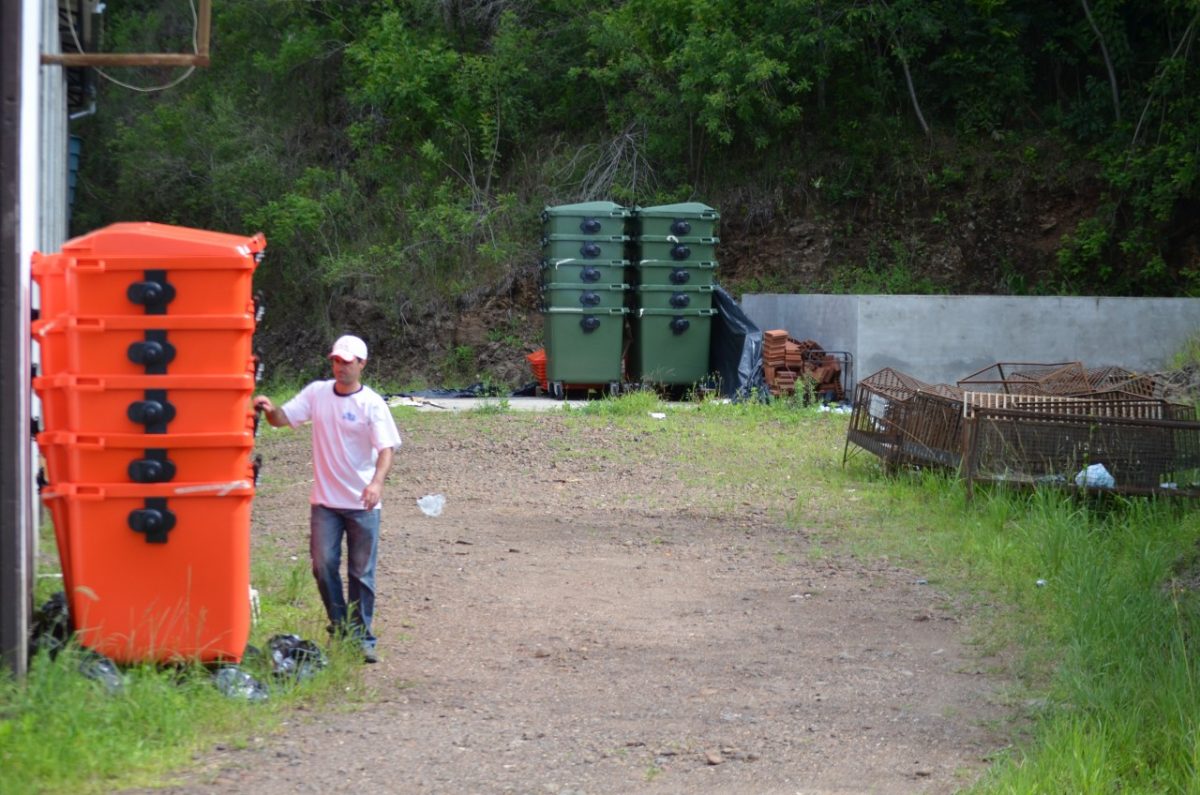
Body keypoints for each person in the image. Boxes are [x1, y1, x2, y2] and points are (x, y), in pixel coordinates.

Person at [254, 334, 401, 663]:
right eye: (336, 361)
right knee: (323, 566)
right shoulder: (317, 393)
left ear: (362, 364)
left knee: (361, 573)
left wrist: (377, 483)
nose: (340, 367)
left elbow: (386, 449)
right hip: (325, 502)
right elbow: (282, 419)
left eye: (347, 362)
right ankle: (341, 628)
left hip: (363, 503)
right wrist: (268, 409)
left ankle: (363, 638)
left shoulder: (372, 404)